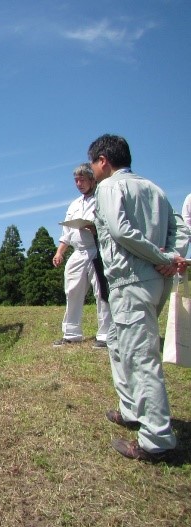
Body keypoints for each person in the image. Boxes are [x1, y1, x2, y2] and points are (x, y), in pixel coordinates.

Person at [88, 134, 189, 462]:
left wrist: (161, 258)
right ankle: (131, 409)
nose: (92, 171)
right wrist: (172, 254)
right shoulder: (155, 189)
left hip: (131, 280)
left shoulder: (108, 188)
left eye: (93, 163)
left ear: (104, 160)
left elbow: (120, 231)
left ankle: (156, 439)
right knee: (119, 344)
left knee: (142, 355)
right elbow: (180, 229)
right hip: (153, 282)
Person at [52, 163, 112, 349]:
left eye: (82, 179)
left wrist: (94, 228)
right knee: (72, 291)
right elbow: (67, 233)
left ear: (92, 179)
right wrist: (59, 252)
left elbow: (111, 225)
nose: (79, 183)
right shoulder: (74, 204)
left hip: (97, 250)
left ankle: (105, 335)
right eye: (76, 180)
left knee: (101, 293)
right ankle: (71, 333)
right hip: (79, 252)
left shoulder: (102, 199)